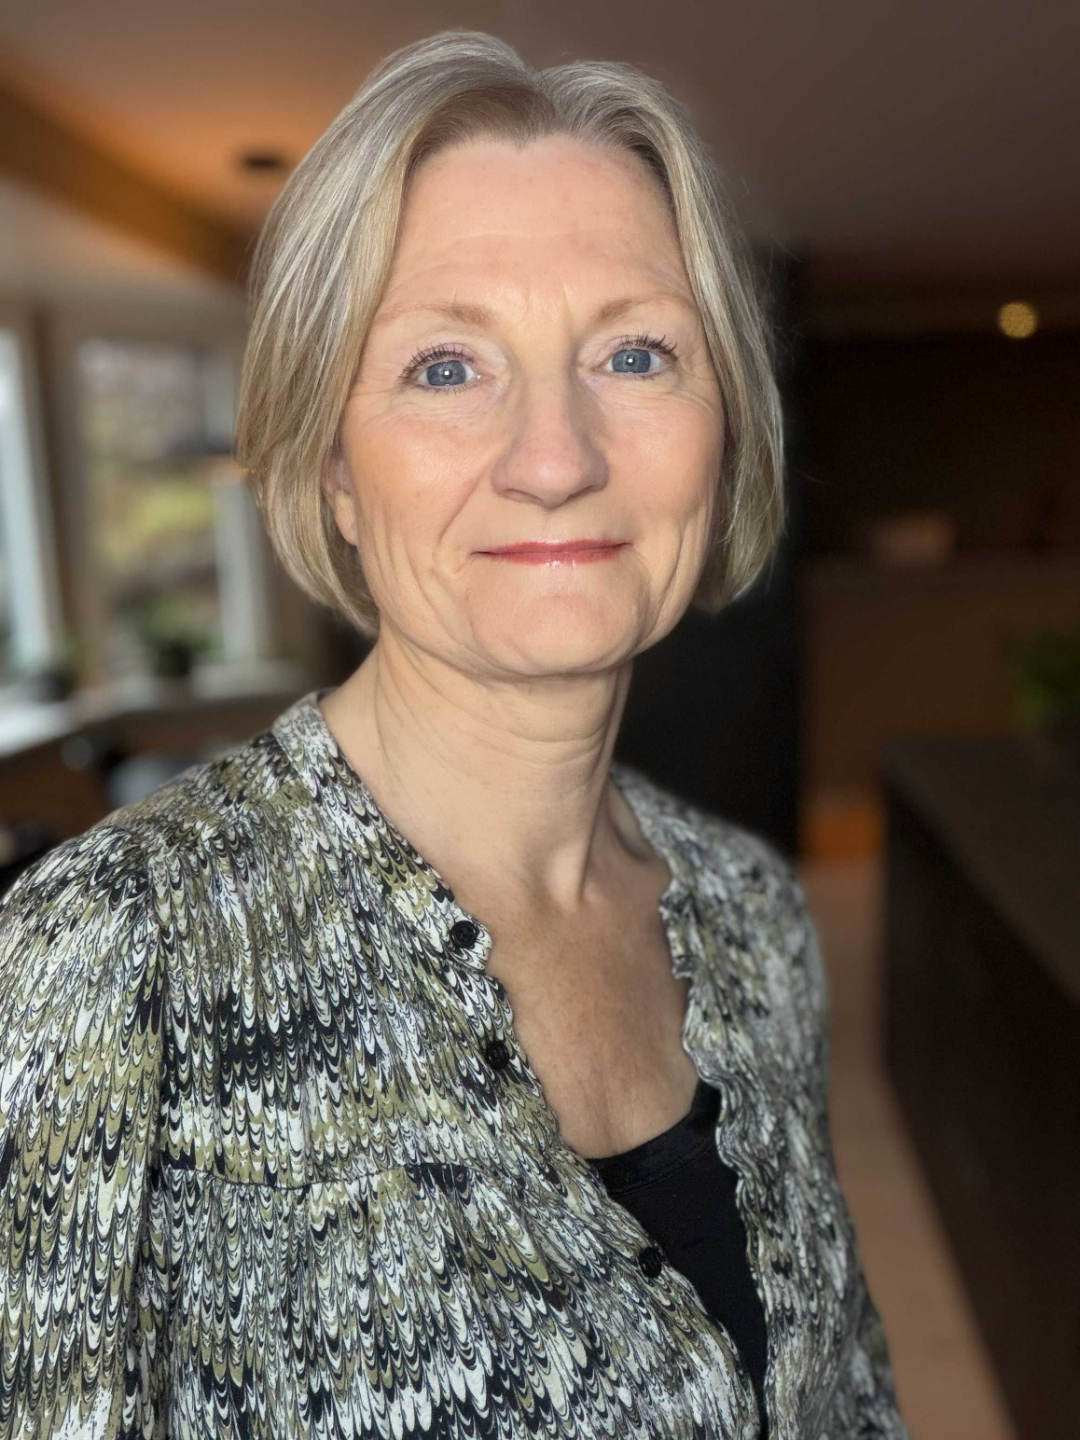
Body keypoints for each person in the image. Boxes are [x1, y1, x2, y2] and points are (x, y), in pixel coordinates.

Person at [0, 29, 908, 1440]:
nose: (557, 458)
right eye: (444, 367)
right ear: (332, 468)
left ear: (724, 428)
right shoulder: (108, 959)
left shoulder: (753, 915)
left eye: (636, 353)